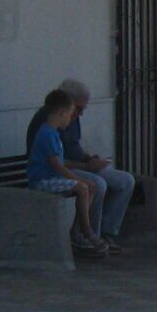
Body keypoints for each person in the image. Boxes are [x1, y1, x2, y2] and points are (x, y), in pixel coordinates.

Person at [31, 77, 134, 247]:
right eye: (77, 109)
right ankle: (89, 235)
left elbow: (73, 147)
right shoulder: (48, 127)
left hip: (74, 166)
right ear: (64, 109)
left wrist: (89, 159)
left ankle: (104, 231)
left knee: (125, 181)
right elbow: (57, 163)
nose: (79, 114)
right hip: (52, 174)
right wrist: (84, 170)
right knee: (96, 184)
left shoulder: (62, 123)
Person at [24, 89, 111, 257]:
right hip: (42, 180)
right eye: (70, 114)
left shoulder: (53, 133)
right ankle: (87, 232)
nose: (71, 119)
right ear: (61, 112)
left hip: (51, 177)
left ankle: (76, 230)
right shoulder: (47, 134)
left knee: (90, 187)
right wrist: (78, 179)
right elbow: (57, 166)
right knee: (83, 188)